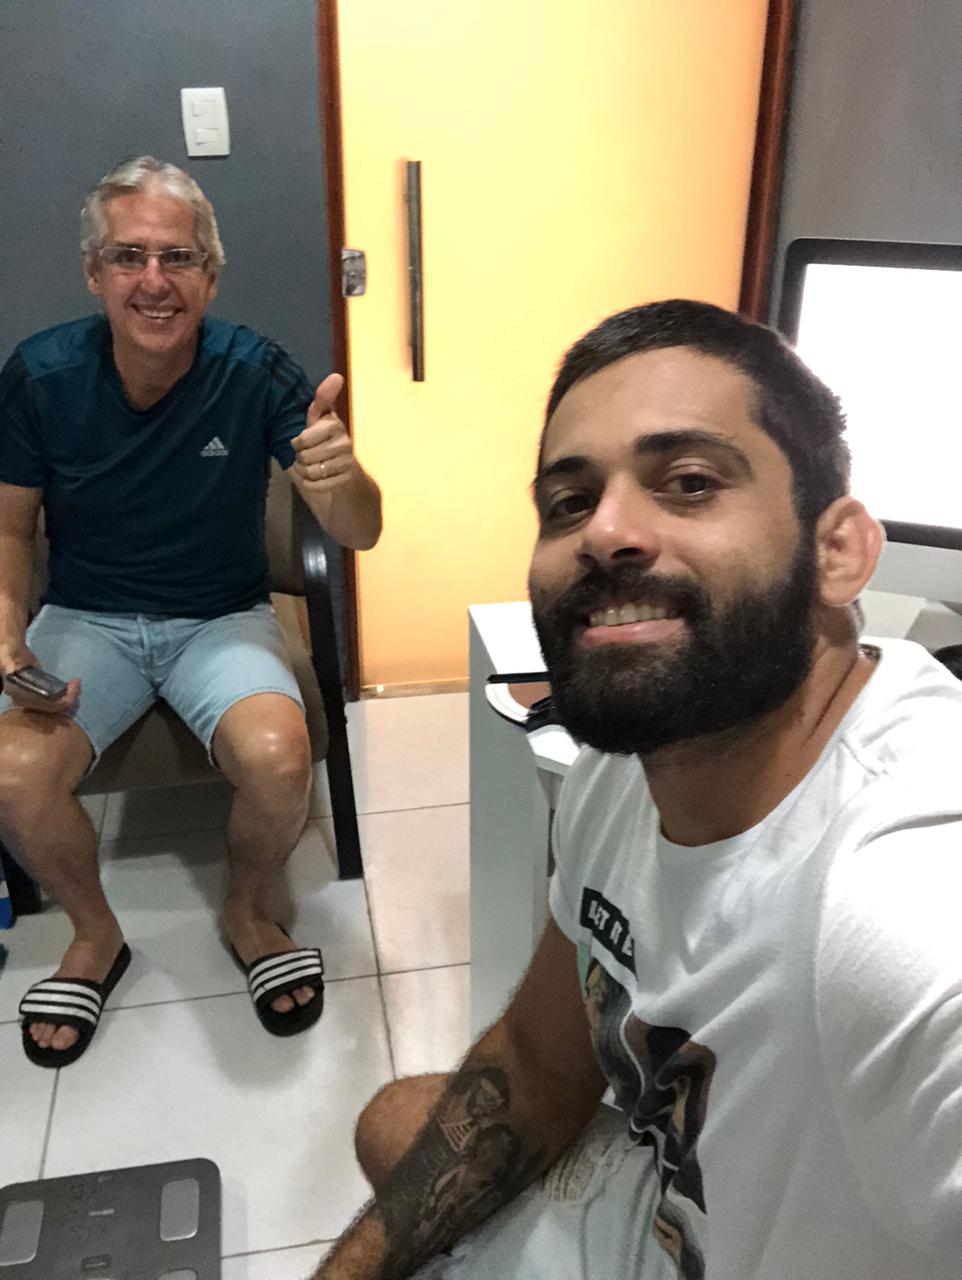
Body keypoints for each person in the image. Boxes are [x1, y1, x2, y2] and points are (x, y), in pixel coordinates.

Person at [310, 300, 962, 1279]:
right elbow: (536, 1065)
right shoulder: (625, 765)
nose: (605, 531)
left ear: (836, 551)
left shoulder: (905, 910)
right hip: (673, 1209)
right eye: (568, 501)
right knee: (394, 1120)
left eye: (688, 482)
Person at [0, 156, 382, 1067]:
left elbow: (359, 531)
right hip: (89, 615)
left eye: (178, 257)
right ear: (94, 273)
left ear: (211, 275)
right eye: (128, 256)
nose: (154, 280)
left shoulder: (255, 371)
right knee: (11, 772)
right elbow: (10, 528)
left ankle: (247, 911)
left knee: (280, 756)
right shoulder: (41, 375)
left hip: (220, 616)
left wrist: (343, 478)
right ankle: (96, 935)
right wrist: (8, 638)